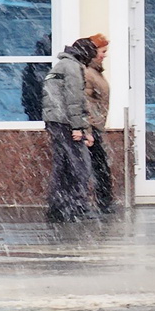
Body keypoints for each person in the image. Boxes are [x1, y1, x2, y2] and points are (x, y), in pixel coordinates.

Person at [41, 37, 97, 222]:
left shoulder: (62, 65)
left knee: (62, 166)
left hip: (54, 121)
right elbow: (74, 99)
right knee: (80, 165)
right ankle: (78, 206)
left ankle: (58, 207)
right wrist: (78, 127)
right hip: (65, 122)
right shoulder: (72, 67)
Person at [84, 33, 115, 214]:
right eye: (102, 51)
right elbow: (85, 102)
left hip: (95, 126)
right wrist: (89, 128)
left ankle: (104, 201)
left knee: (99, 166)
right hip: (91, 127)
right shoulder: (88, 73)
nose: (105, 55)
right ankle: (103, 202)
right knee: (98, 166)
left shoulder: (95, 72)